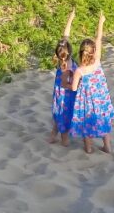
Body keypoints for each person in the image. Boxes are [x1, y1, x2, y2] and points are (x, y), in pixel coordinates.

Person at [69, 11, 114, 155]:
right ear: (93, 52)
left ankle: (88, 149)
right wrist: (101, 22)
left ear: (80, 53)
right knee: (104, 123)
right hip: (101, 101)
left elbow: (73, 88)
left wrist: (71, 78)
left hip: (87, 104)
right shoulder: (97, 61)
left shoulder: (79, 71)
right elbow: (99, 39)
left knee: (86, 126)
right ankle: (107, 147)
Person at [49, 8, 77, 145]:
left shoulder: (62, 59)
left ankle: (53, 135)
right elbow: (65, 83)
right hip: (65, 95)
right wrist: (75, 86)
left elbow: (65, 36)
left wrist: (70, 18)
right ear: (70, 51)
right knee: (65, 117)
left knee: (59, 116)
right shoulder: (68, 65)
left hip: (58, 94)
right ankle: (64, 140)